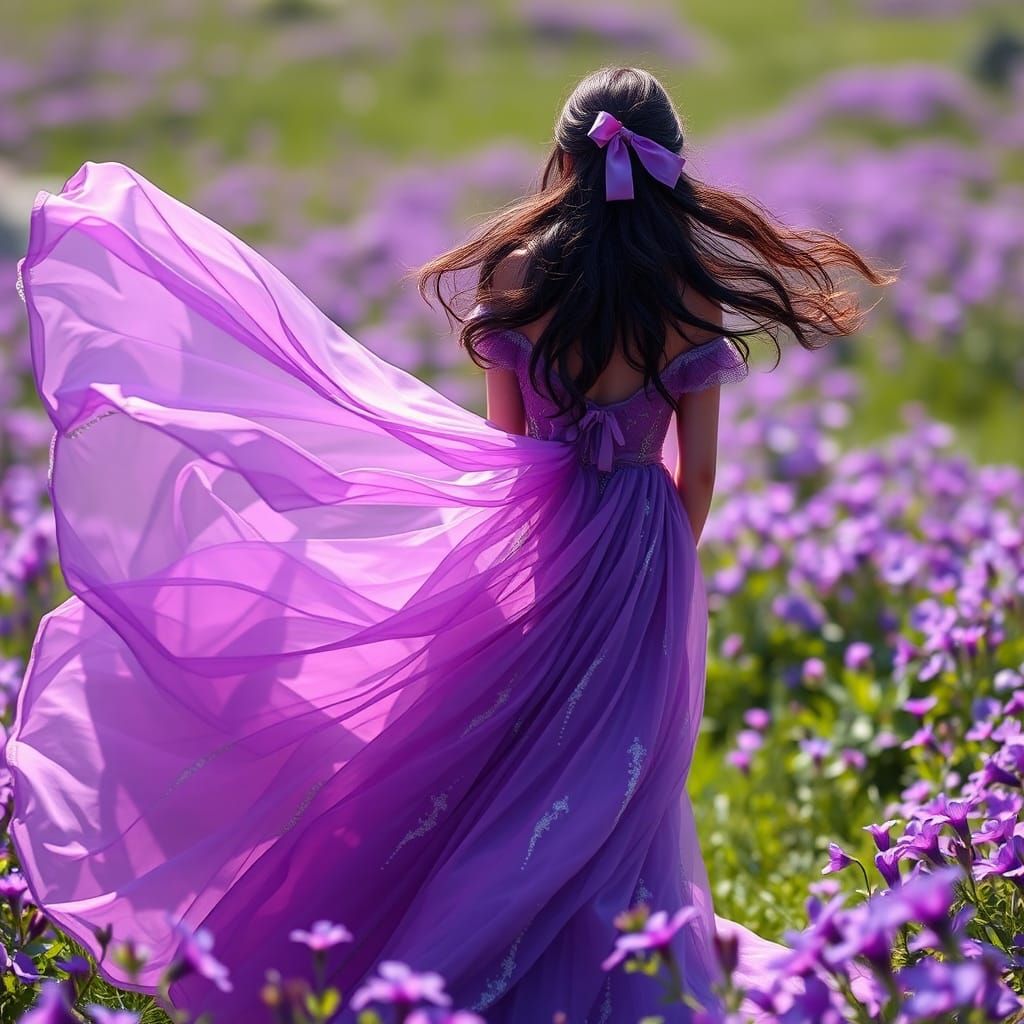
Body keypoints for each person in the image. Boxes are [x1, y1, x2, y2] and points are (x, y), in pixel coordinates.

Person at [6, 65, 893, 1023]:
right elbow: (701, 471)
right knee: (625, 784)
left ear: (563, 160)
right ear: (672, 166)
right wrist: (657, 570)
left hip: (540, 534)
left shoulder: (517, 273)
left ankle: (444, 958)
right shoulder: (688, 287)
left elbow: (511, 448)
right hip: (647, 548)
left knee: (506, 756)